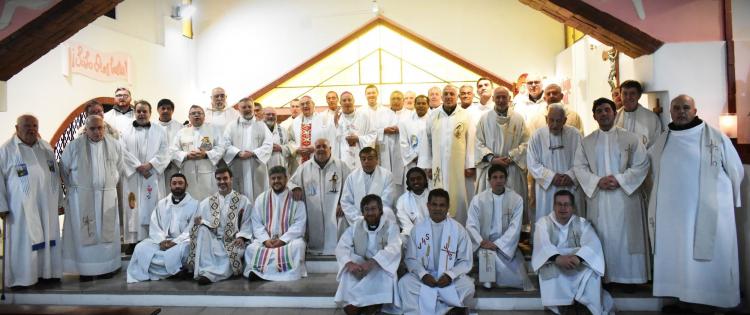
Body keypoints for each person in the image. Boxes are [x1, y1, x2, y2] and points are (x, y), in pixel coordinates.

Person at [648, 95, 744, 310]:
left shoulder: (715, 138)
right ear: (670, 112)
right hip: (673, 214)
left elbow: (735, 169)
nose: (681, 112)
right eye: (676, 108)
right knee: (678, 256)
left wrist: (733, 200)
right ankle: (682, 298)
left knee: (709, 259)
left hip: (709, 213)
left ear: (695, 110)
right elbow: (652, 168)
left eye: (686, 107)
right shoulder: (664, 138)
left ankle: (714, 301)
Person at [573, 97, 649, 286]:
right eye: (599, 111)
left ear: (615, 113)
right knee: (602, 236)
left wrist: (620, 179)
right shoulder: (587, 141)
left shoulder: (631, 138)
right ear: (594, 116)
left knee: (627, 238)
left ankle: (630, 279)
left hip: (625, 197)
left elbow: (642, 164)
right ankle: (605, 276)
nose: (604, 114)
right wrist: (598, 181)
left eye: (607, 110)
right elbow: (579, 167)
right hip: (600, 198)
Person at [60, 115, 126, 280]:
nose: (97, 131)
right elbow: (64, 169)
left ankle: (107, 267)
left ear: (104, 128)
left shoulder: (114, 145)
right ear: (86, 129)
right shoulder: (74, 146)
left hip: (107, 196)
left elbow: (119, 167)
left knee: (107, 233)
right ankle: (85, 270)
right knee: (85, 232)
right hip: (82, 197)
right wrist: (78, 188)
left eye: (100, 128)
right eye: (93, 128)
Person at [0, 115, 63, 287]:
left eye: (35, 125)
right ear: (17, 128)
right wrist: (2, 206)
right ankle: (23, 278)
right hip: (20, 208)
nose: (32, 129)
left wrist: (59, 202)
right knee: (24, 240)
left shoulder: (45, 148)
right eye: (27, 125)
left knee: (49, 237)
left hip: (47, 205)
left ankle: (48, 273)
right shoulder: (6, 150)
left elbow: (55, 175)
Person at [532, 190, 614, 315]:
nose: (563, 208)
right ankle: (562, 306)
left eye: (566, 204)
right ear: (554, 206)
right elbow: (542, 245)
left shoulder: (582, 223)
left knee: (591, 272)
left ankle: (584, 305)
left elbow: (592, 243)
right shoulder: (544, 223)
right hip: (555, 263)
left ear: (573, 207)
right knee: (549, 270)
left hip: (576, 265)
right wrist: (558, 258)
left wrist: (577, 258)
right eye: (559, 204)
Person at [398, 189, 474, 315]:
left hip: (449, 278)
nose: (437, 209)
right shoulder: (417, 230)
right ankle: (450, 308)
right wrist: (423, 275)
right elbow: (411, 259)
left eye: (442, 205)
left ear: (448, 207)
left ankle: (433, 307)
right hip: (426, 277)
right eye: (434, 204)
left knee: (468, 286)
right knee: (404, 284)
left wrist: (450, 275)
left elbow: (465, 260)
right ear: (428, 206)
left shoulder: (458, 230)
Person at [466, 165, 533, 290]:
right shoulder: (478, 200)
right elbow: (471, 224)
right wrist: (481, 241)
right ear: (489, 180)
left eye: (502, 177)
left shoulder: (516, 199)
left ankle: (489, 279)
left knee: (519, 278)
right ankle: (487, 281)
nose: (498, 180)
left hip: (505, 246)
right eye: (495, 177)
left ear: (506, 179)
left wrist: (498, 244)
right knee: (487, 259)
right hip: (484, 244)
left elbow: (515, 227)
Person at [335, 194, 403, 314]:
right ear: (362, 212)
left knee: (385, 275)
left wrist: (373, 262)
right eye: (367, 209)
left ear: (380, 210)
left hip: (380, 265)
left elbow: (394, 248)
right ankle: (360, 304)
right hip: (361, 266)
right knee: (347, 272)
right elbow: (342, 247)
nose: (370, 213)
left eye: (373, 209)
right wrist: (350, 263)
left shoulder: (391, 227)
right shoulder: (356, 226)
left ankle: (370, 305)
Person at [126, 174, 199, 283]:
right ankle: (175, 271)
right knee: (141, 247)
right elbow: (155, 225)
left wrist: (176, 242)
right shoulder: (162, 204)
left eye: (180, 183)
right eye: (174, 183)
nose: (177, 186)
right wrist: (161, 241)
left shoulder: (194, 204)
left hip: (182, 242)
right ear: (170, 186)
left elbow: (191, 229)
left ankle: (167, 270)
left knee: (186, 250)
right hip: (162, 241)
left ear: (186, 185)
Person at [186, 168, 253, 284]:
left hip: (234, 240)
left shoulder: (243, 201)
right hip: (214, 240)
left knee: (232, 254)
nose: (222, 182)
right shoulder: (206, 202)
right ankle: (205, 271)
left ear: (231, 179)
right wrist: (198, 223)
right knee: (201, 230)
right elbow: (199, 224)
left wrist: (241, 237)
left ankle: (211, 275)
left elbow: (247, 223)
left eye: (225, 178)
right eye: (219, 179)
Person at [418, 85, 472, 225]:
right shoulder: (433, 115)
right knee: (438, 195)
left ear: (457, 97)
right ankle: (438, 226)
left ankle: (459, 228)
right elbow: (426, 141)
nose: (448, 97)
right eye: (446, 94)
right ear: (442, 97)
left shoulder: (465, 115)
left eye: (452, 94)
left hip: (459, 168)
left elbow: (471, 139)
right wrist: (427, 165)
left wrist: (469, 164)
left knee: (460, 197)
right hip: (438, 166)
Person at [119, 100, 170, 244]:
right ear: (135, 112)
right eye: (139, 111)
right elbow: (122, 151)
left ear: (150, 113)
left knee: (154, 205)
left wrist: (150, 165)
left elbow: (165, 151)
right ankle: (133, 241)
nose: (141, 114)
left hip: (152, 175)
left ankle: (155, 237)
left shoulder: (159, 130)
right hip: (133, 176)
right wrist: (138, 166)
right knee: (132, 207)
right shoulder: (126, 130)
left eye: (144, 111)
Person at [244, 166, 307, 281]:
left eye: (279, 178)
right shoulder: (261, 199)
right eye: (273, 178)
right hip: (267, 241)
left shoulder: (295, 199)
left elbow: (299, 225)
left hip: (288, 241)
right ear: (269, 180)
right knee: (250, 249)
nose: (276, 181)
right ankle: (264, 272)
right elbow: (256, 223)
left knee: (298, 246)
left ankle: (264, 272)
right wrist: (265, 240)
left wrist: (283, 240)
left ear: (286, 179)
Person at [289, 139, 351, 255]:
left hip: (335, 212)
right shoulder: (304, 167)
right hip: (313, 212)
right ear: (314, 150)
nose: (321, 149)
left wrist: (343, 203)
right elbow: (291, 183)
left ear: (330, 149)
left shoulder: (341, 166)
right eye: (318, 147)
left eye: (324, 146)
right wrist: (295, 188)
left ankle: (336, 248)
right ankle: (314, 248)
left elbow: (351, 186)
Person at [527, 104, 583, 221]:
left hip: (570, 186)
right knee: (547, 222)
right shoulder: (537, 136)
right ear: (546, 119)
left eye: (559, 121)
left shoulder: (576, 135)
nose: (555, 125)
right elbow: (532, 163)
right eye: (551, 120)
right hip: (547, 189)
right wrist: (551, 177)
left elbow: (583, 160)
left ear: (565, 120)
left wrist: (570, 175)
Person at [475, 87, 529, 205]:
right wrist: (492, 159)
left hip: (512, 167)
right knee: (489, 205)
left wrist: (511, 157)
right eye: (498, 97)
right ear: (493, 99)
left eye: (504, 97)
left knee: (512, 205)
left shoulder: (518, 119)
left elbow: (526, 142)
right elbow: (478, 142)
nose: (501, 100)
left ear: (509, 99)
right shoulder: (484, 119)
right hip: (491, 167)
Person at [170, 105, 226, 201]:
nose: (196, 115)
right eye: (193, 113)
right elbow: (173, 151)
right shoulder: (181, 132)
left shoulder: (213, 129)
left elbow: (221, 147)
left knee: (210, 201)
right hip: (188, 172)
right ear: (189, 117)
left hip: (208, 172)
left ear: (204, 116)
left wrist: (206, 154)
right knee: (189, 200)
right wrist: (186, 155)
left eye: (199, 113)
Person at [223, 97, 273, 202]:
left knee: (259, 197)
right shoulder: (231, 126)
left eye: (249, 106)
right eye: (244, 107)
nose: (247, 109)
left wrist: (254, 153)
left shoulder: (261, 125)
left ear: (253, 108)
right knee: (238, 197)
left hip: (256, 164)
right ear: (238, 109)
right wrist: (238, 153)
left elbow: (268, 144)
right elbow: (225, 143)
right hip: (238, 163)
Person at [340, 147, 397, 229]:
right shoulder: (352, 177)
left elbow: (387, 200)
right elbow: (346, 202)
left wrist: (373, 217)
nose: (366, 161)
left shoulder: (387, 176)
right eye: (363, 159)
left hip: (380, 222)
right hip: (358, 222)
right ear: (360, 161)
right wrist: (359, 219)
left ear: (377, 159)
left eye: (370, 158)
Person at [377, 90, 412, 196]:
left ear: (403, 101)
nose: (396, 101)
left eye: (398, 99)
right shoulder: (382, 114)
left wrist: (401, 129)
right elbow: (373, 130)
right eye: (393, 99)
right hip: (386, 152)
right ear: (390, 101)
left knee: (403, 181)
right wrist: (384, 130)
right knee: (387, 180)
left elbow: (414, 130)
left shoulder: (410, 114)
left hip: (403, 155)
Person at [614, 80, 663, 149]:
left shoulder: (652, 118)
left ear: (639, 95)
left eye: (632, 93)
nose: (628, 97)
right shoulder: (614, 118)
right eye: (625, 93)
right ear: (620, 95)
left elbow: (656, 145)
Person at [334, 91, 375, 170]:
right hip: (344, 159)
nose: (347, 102)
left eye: (349, 100)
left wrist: (358, 139)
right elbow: (334, 142)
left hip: (361, 159)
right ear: (340, 102)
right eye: (344, 100)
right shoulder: (337, 119)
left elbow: (372, 135)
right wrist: (336, 125)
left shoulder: (364, 116)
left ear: (354, 101)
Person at [290, 95, 335, 166]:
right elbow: (290, 140)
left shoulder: (324, 119)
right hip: (301, 160)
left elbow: (331, 138)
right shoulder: (295, 122)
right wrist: (297, 149)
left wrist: (317, 147)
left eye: (307, 103)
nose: (305, 106)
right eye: (302, 104)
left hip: (320, 158)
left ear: (313, 105)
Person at [154, 98, 185, 189]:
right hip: (157, 165)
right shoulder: (152, 127)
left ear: (172, 111)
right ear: (158, 110)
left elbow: (182, 147)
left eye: (168, 108)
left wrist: (170, 160)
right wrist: (161, 162)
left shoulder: (180, 127)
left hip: (174, 165)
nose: (166, 111)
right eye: (163, 108)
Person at [395, 167, 430, 243]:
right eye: (412, 180)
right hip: (412, 237)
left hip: (434, 234)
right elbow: (406, 225)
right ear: (408, 182)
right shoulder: (402, 200)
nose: (416, 181)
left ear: (425, 180)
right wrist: (421, 238)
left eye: (419, 178)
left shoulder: (434, 195)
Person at [399, 95, 429, 174]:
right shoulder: (405, 122)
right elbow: (403, 143)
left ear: (428, 105)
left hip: (429, 161)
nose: (421, 106)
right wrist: (412, 157)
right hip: (413, 162)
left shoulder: (433, 121)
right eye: (418, 103)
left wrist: (425, 158)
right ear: (414, 105)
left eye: (423, 103)